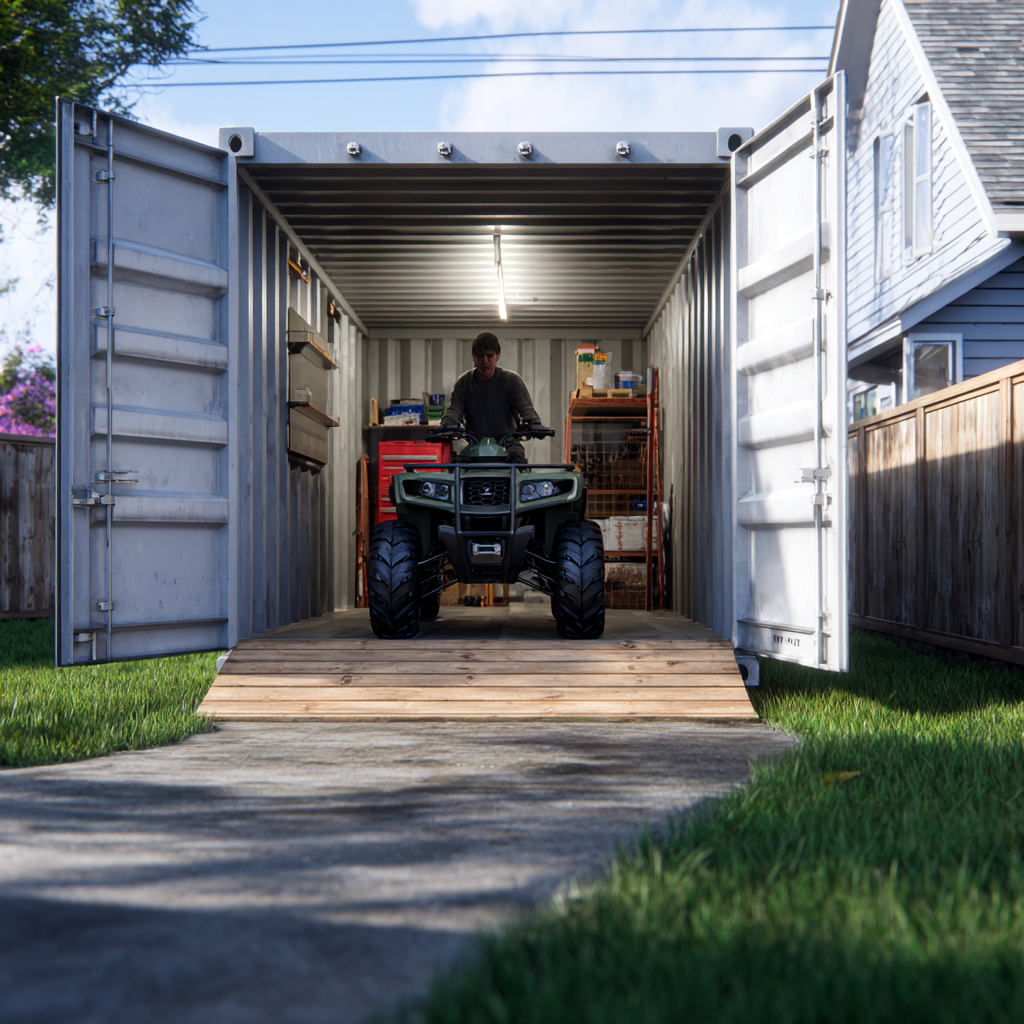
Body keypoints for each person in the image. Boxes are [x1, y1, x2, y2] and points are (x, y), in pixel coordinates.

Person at [441, 332, 542, 464]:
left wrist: (534, 423)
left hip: (508, 447)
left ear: (497, 355)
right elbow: (454, 410)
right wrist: (447, 424)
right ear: (473, 356)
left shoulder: (512, 381)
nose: (485, 361)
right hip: (474, 448)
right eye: (480, 355)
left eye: (489, 355)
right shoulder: (464, 383)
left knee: (519, 468)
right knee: (456, 470)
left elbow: (527, 409)